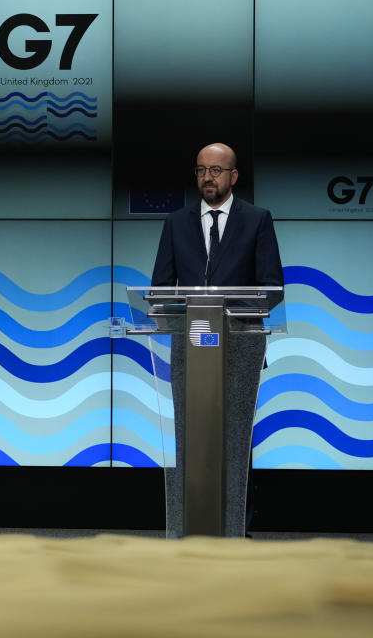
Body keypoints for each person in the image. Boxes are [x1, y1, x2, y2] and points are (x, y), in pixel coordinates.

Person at [151, 143, 283, 537]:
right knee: (190, 439)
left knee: (235, 443)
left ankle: (235, 530)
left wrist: (219, 306)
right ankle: (187, 528)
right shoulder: (177, 222)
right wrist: (192, 308)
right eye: (201, 170)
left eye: (216, 170)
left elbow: (272, 288)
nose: (208, 177)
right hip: (189, 349)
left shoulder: (257, 220)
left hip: (239, 348)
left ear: (233, 176)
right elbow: (160, 290)